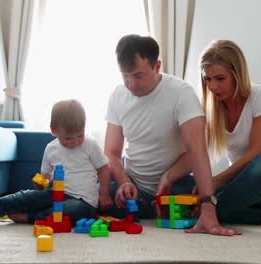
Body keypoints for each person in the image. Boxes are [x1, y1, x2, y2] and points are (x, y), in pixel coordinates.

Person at [102, 34, 241, 236]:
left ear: (157, 67)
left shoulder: (181, 93)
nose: (131, 84)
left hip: (175, 185)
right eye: (125, 76)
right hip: (133, 184)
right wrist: (124, 182)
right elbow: (111, 152)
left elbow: (197, 149)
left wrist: (205, 205)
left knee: (216, 203)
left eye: (138, 76)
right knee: (90, 194)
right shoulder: (117, 95)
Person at [167, 40, 261, 229]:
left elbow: (256, 152)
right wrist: (168, 177)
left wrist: (214, 183)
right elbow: (195, 153)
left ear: (237, 74)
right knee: (181, 186)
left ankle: (218, 208)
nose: (213, 86)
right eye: (207, 79)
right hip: (241, 190)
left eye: (220, 78)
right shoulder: (209, 113)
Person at [0, 99, 113, 226]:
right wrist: (41, 183)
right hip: (54, 193)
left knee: (69, 212)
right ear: (54, 131)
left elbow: (104, 169)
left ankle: (30, 217)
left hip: (84, 201)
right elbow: (45, 176)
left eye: (80, 135)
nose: (75, 142)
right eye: (68, 138)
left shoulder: (90, 144)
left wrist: (104, 194)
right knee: (20, 197)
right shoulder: (51, 149)